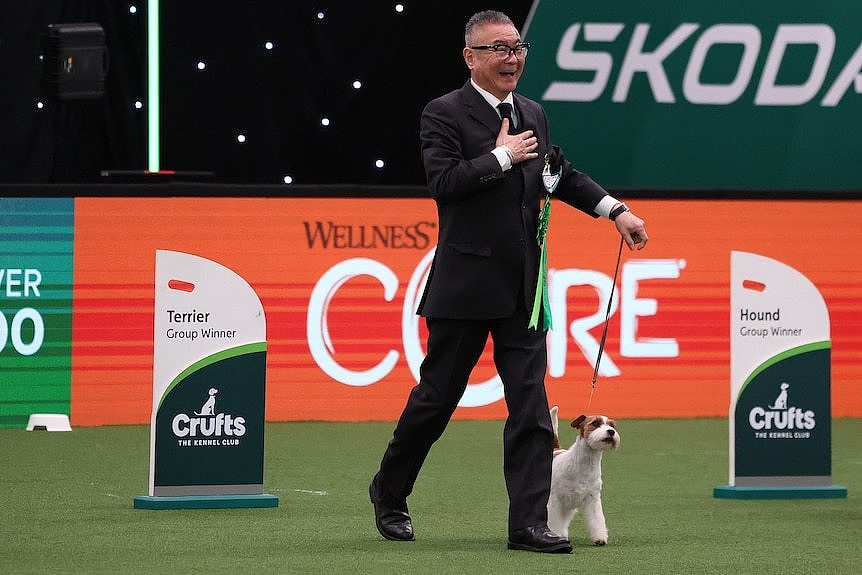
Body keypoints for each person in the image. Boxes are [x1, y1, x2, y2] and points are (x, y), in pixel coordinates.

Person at [369, 10, 648, 554]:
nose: (511, 57)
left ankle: (528, 525)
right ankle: (390, 491)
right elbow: (443, 183)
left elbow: (557, 174)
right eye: (498, 48)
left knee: (530, 406)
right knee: (436, 399)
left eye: (518, 46)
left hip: (524, 287)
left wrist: (615, 210)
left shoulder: (533, 113)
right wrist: (500, 156)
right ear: (470, 57)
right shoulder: (443, 113)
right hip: (466, 285)